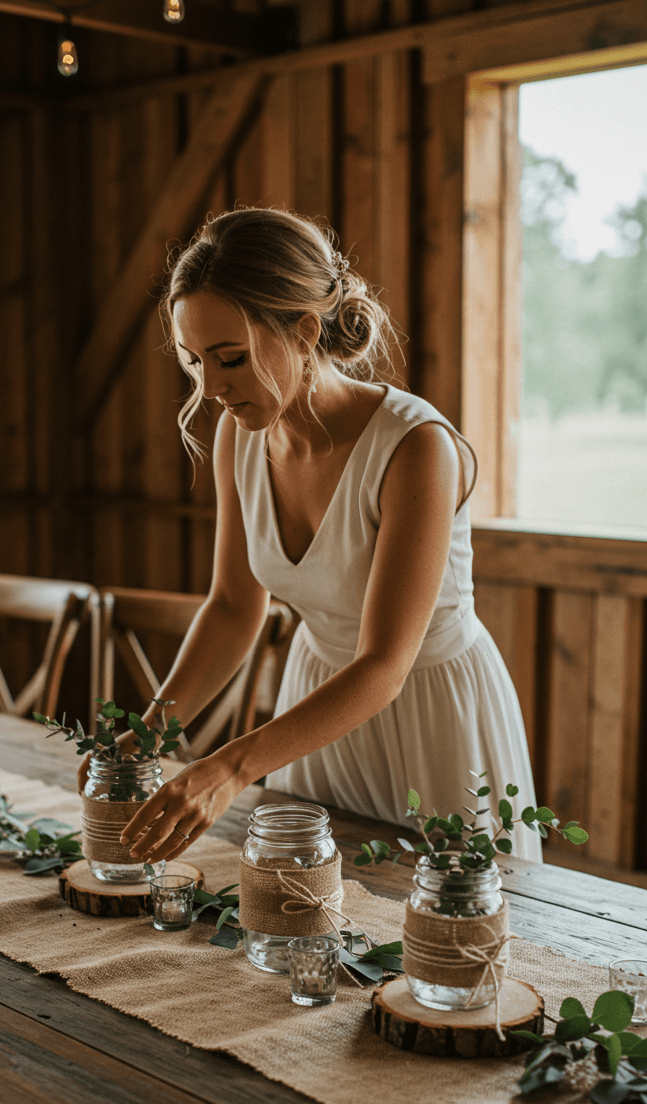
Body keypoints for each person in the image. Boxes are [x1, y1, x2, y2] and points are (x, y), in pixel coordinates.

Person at [105, 207, 540, 864]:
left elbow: (384, 665)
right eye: (196, 363)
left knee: (444, 935)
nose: (213, 389)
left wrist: (229, 768)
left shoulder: (416, 448)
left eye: (231, 359)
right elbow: (231, 609)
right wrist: (144, 738)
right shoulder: (240, 436)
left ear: (304, 332)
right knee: (300, 920)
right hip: (313, 711)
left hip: (431, 713)